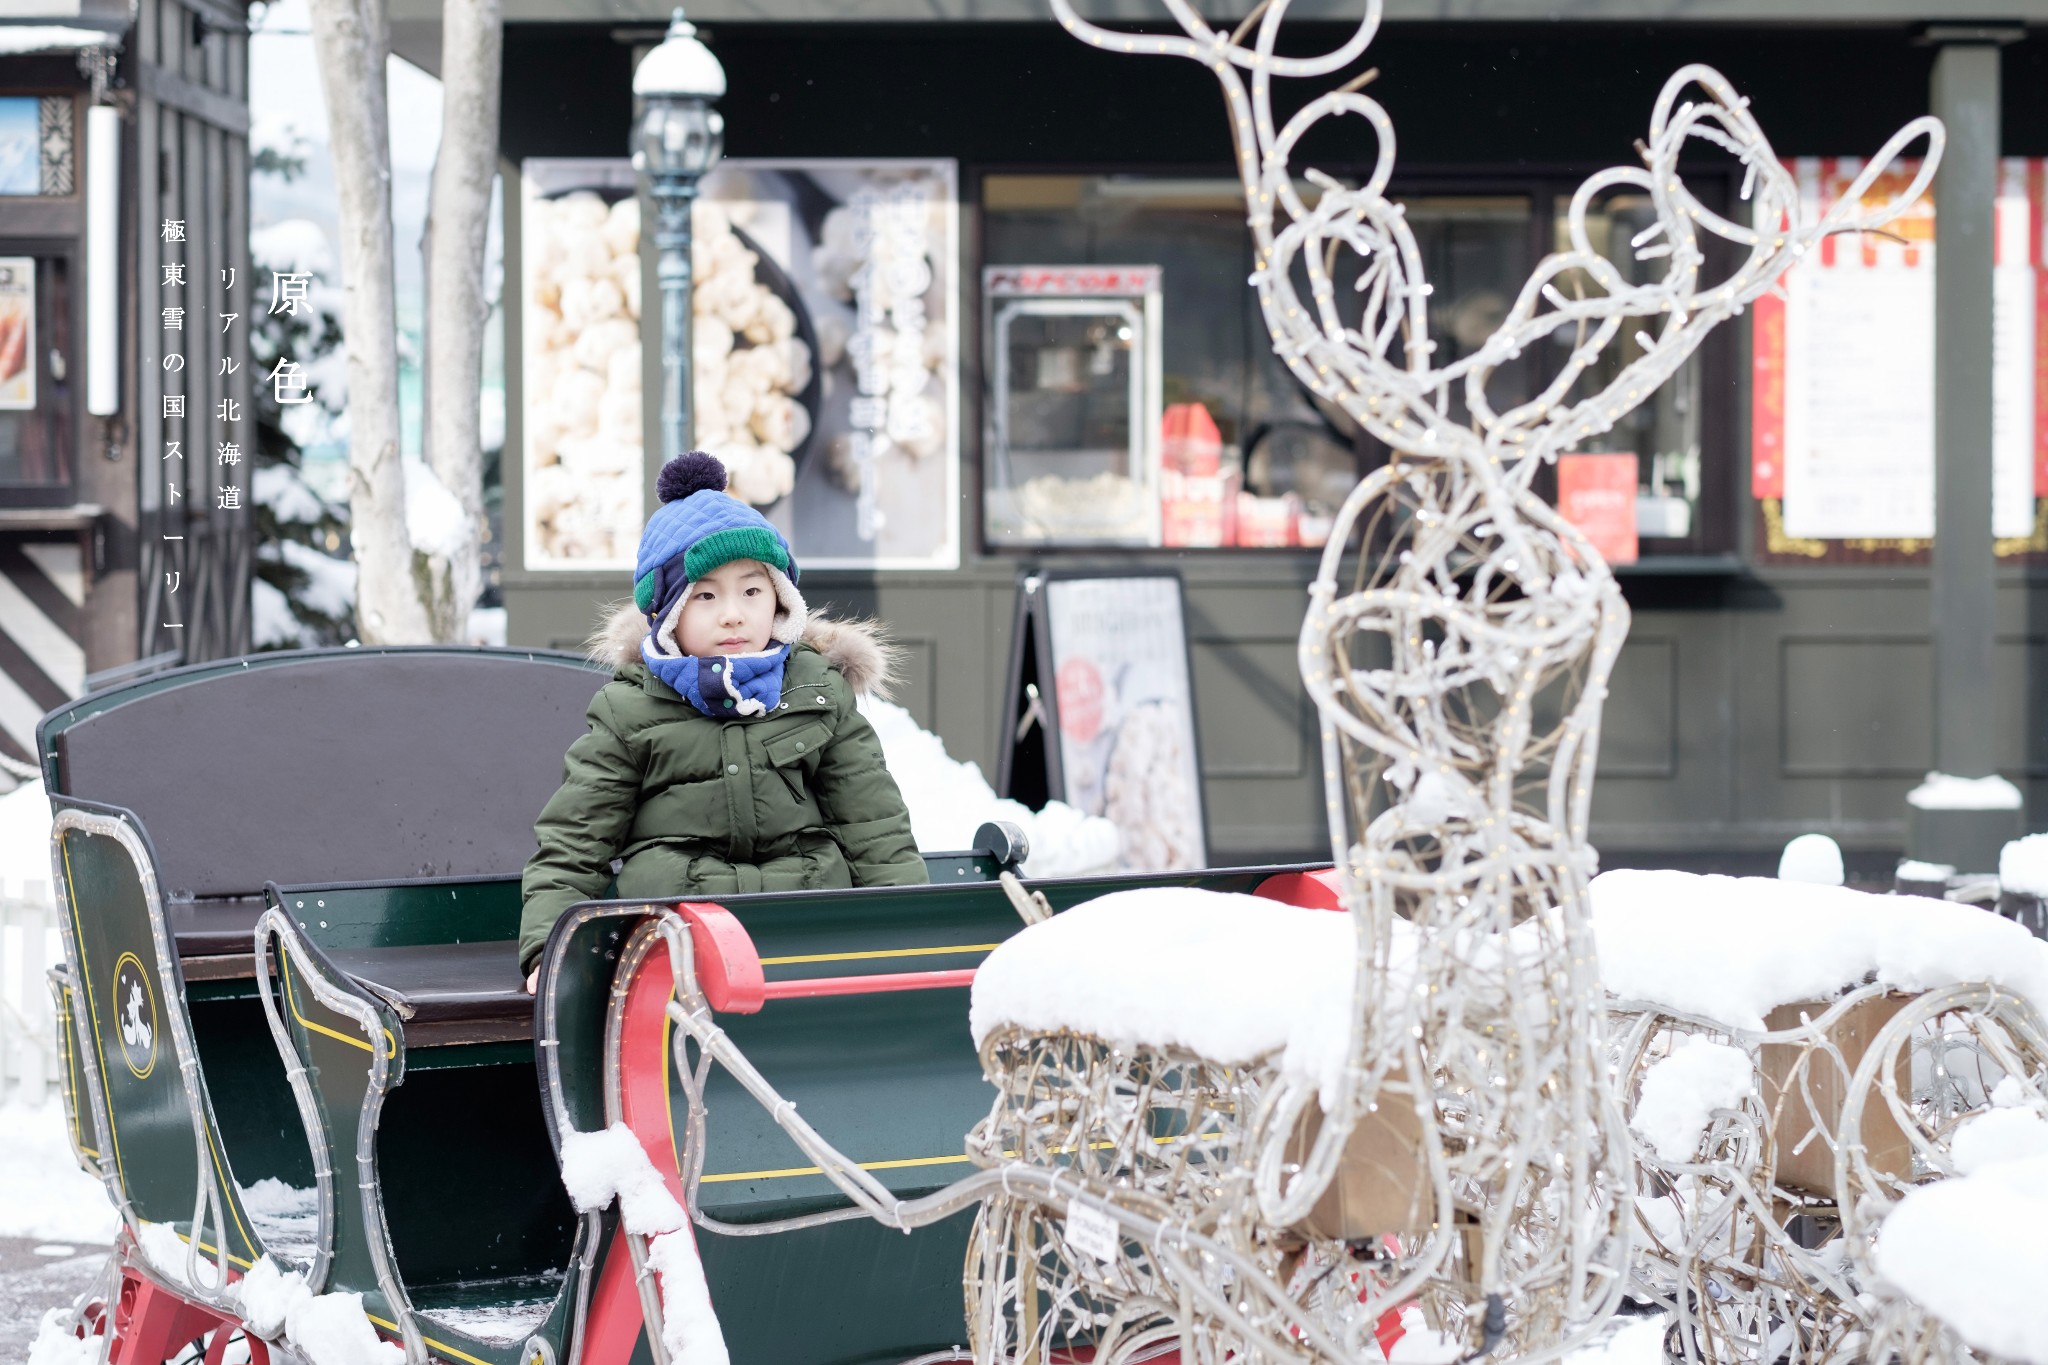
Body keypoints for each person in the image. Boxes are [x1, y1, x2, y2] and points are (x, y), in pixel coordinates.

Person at [519, 451, 927, 989]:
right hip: (676, 943)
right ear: (666, 615)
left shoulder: (815, 688)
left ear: (780, 600)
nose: (733, 612)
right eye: (705, 595)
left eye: (752, 591)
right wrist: (551, 949)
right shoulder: (631, 709)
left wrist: (912, 929)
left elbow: (873, 824)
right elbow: (576, 841)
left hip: (803, 924)